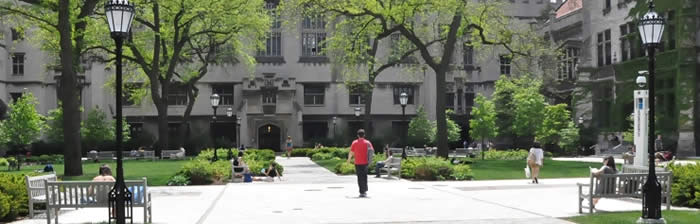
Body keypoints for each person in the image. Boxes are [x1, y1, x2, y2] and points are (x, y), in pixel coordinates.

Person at [348, 129, 373, 198]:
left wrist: (349, 160)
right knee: (364, 176)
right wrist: (370, 161)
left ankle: (362, 192)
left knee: (359, 177)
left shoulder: (354, 142)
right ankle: (364, 190)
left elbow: (351, 152)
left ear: (357, 135)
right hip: (365, 162)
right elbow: (371, 152)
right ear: (364, 135)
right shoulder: (368, 143)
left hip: (357, 163)